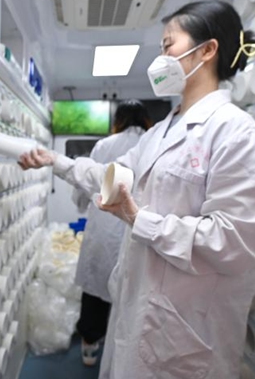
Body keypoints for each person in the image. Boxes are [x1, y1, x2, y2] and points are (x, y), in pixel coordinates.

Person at [19, 0, 255, 379]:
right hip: (139, 308)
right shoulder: (160, 133)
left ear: (207, 50)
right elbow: (116, 175)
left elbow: (235, 243)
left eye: (168, 45)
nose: (161, 58)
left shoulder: (240, 137)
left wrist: (140, 220)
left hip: (186, 328)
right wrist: (55, 162)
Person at [71, 100, 152, 367]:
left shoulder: (104, 145)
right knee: (131, 295)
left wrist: (82, 206)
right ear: (145, 120)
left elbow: (85, 183)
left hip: (104, 227)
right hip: (138, 229)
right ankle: (123, 356)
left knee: (95, 292)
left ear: (118, 120)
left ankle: (90, 347)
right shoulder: (153, 144)